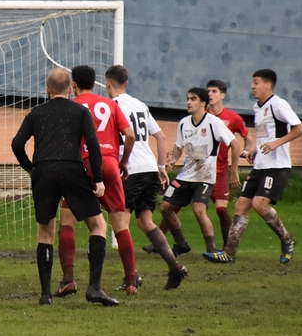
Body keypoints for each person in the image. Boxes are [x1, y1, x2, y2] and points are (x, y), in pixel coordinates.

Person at [11, 69, 117, 306]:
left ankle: (46, 295)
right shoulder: (80, 111)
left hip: (44, 171)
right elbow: (93, 145)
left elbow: (17, 144)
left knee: (45, 232)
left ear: (47, 89)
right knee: (98, 225)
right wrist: (98, 178)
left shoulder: (36, 113)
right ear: (70, 89)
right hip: (72, 169)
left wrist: (30, 168)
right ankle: (95, 287)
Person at [205, 69, 302, 264]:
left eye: (256, 82)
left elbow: (299, 128)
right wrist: (255, 151)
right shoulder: (258, 107)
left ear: (267, 85)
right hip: (260, 165)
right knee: (241, 206)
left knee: (260, 204)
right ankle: (229, 253)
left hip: (277, 166)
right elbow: (265, 136)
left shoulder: (278, 104)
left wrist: (276, 143)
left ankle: (287, 239)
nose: (252, 86)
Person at [55, 65, 138, 295]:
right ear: (95, 84)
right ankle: (131, 281)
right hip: (109, 164)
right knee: (120, 223)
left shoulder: (71, 106)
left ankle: (68, 279)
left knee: (67, 221)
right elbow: (130, 135)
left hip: (81, 166)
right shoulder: (110, 104)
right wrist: (123, 162)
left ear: (73, 85)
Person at [105, 65, 188, 290]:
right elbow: (160, 137)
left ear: (107, 84)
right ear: (127, 83)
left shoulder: (112, 106)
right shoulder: (140, 105)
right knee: (145, 221)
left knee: (120, 224)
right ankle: (175, 267)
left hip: (129, 169)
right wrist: (161, 167)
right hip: (149, 168)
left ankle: (132, 277)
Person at [158, 87, 236, 258]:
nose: (188, 102)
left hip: (205, 177)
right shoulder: (184, 123)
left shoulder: (213, 122)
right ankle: (182, 244)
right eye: (188, 98)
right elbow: (179, 146)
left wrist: (234, 171)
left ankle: (212, 249)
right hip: (185, 175)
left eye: (193, 99)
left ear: (203, 103)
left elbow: (234, 143)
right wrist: (173, 158)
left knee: (198, 209)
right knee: (165, 207)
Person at [205, 79, 250, 247]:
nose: (210, 94)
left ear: (222, 95)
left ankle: (228, 248)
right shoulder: (202, 115)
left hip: (220, 170)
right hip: (200, 169)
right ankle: (160, 244)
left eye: (214, 91)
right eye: (208, 91)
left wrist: (246, 151)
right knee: (173, 205)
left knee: (221, 209)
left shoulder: (233, 118)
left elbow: (248, 138)